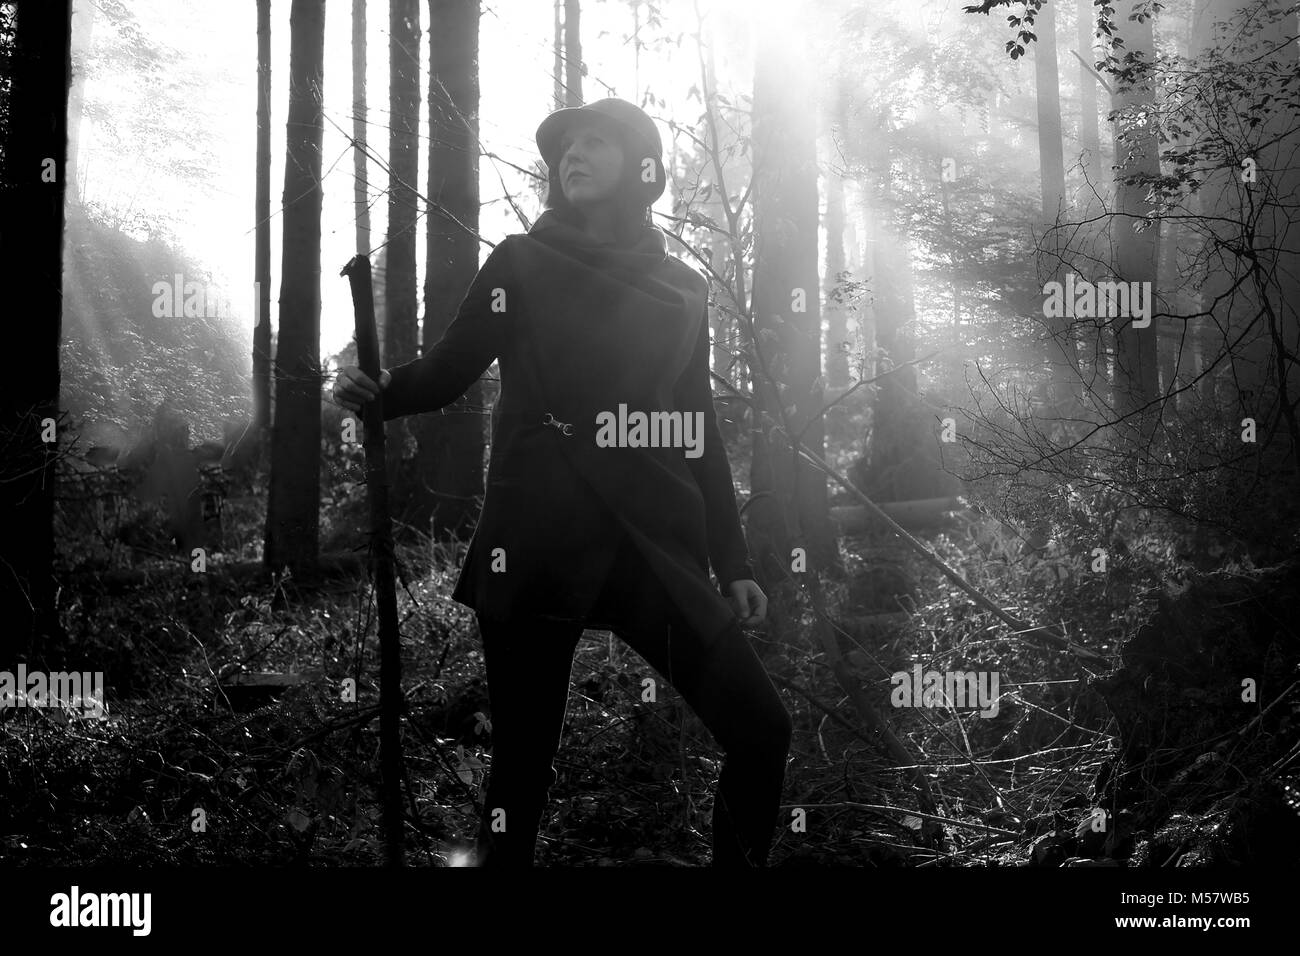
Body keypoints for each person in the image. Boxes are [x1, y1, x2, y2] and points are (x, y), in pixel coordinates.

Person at [333, 98, 792, 867]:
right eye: (564, 147)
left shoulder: (683, 288)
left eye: (594, 142)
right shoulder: (521, 261)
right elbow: (449, 372)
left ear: (642, 168)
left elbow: (697, 425)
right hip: (537, 539)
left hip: (651, 539)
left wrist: (733, 561)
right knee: (521, 770)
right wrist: (377, 392)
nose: (571, 155)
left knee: (761, 730)